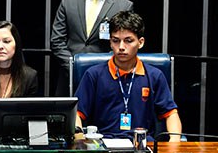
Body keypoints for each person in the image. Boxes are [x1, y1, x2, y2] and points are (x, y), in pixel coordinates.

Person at [74, 11, 181, 142]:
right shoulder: (93, 75)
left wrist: (174, 143)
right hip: (102, 145)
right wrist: (79, 140)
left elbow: (171, 114)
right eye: (115, 41)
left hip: (142, 145)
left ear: (140, 43)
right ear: (110, 42)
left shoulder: (154, 76)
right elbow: (76, 114)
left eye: (128, 41)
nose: (121, 47)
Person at [50, 0, 134, 96]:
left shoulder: (124, 6)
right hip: (69, 78)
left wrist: (96, 70)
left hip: (105, 80)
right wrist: (75, 67)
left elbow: (123, 46)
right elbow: (57, 41)